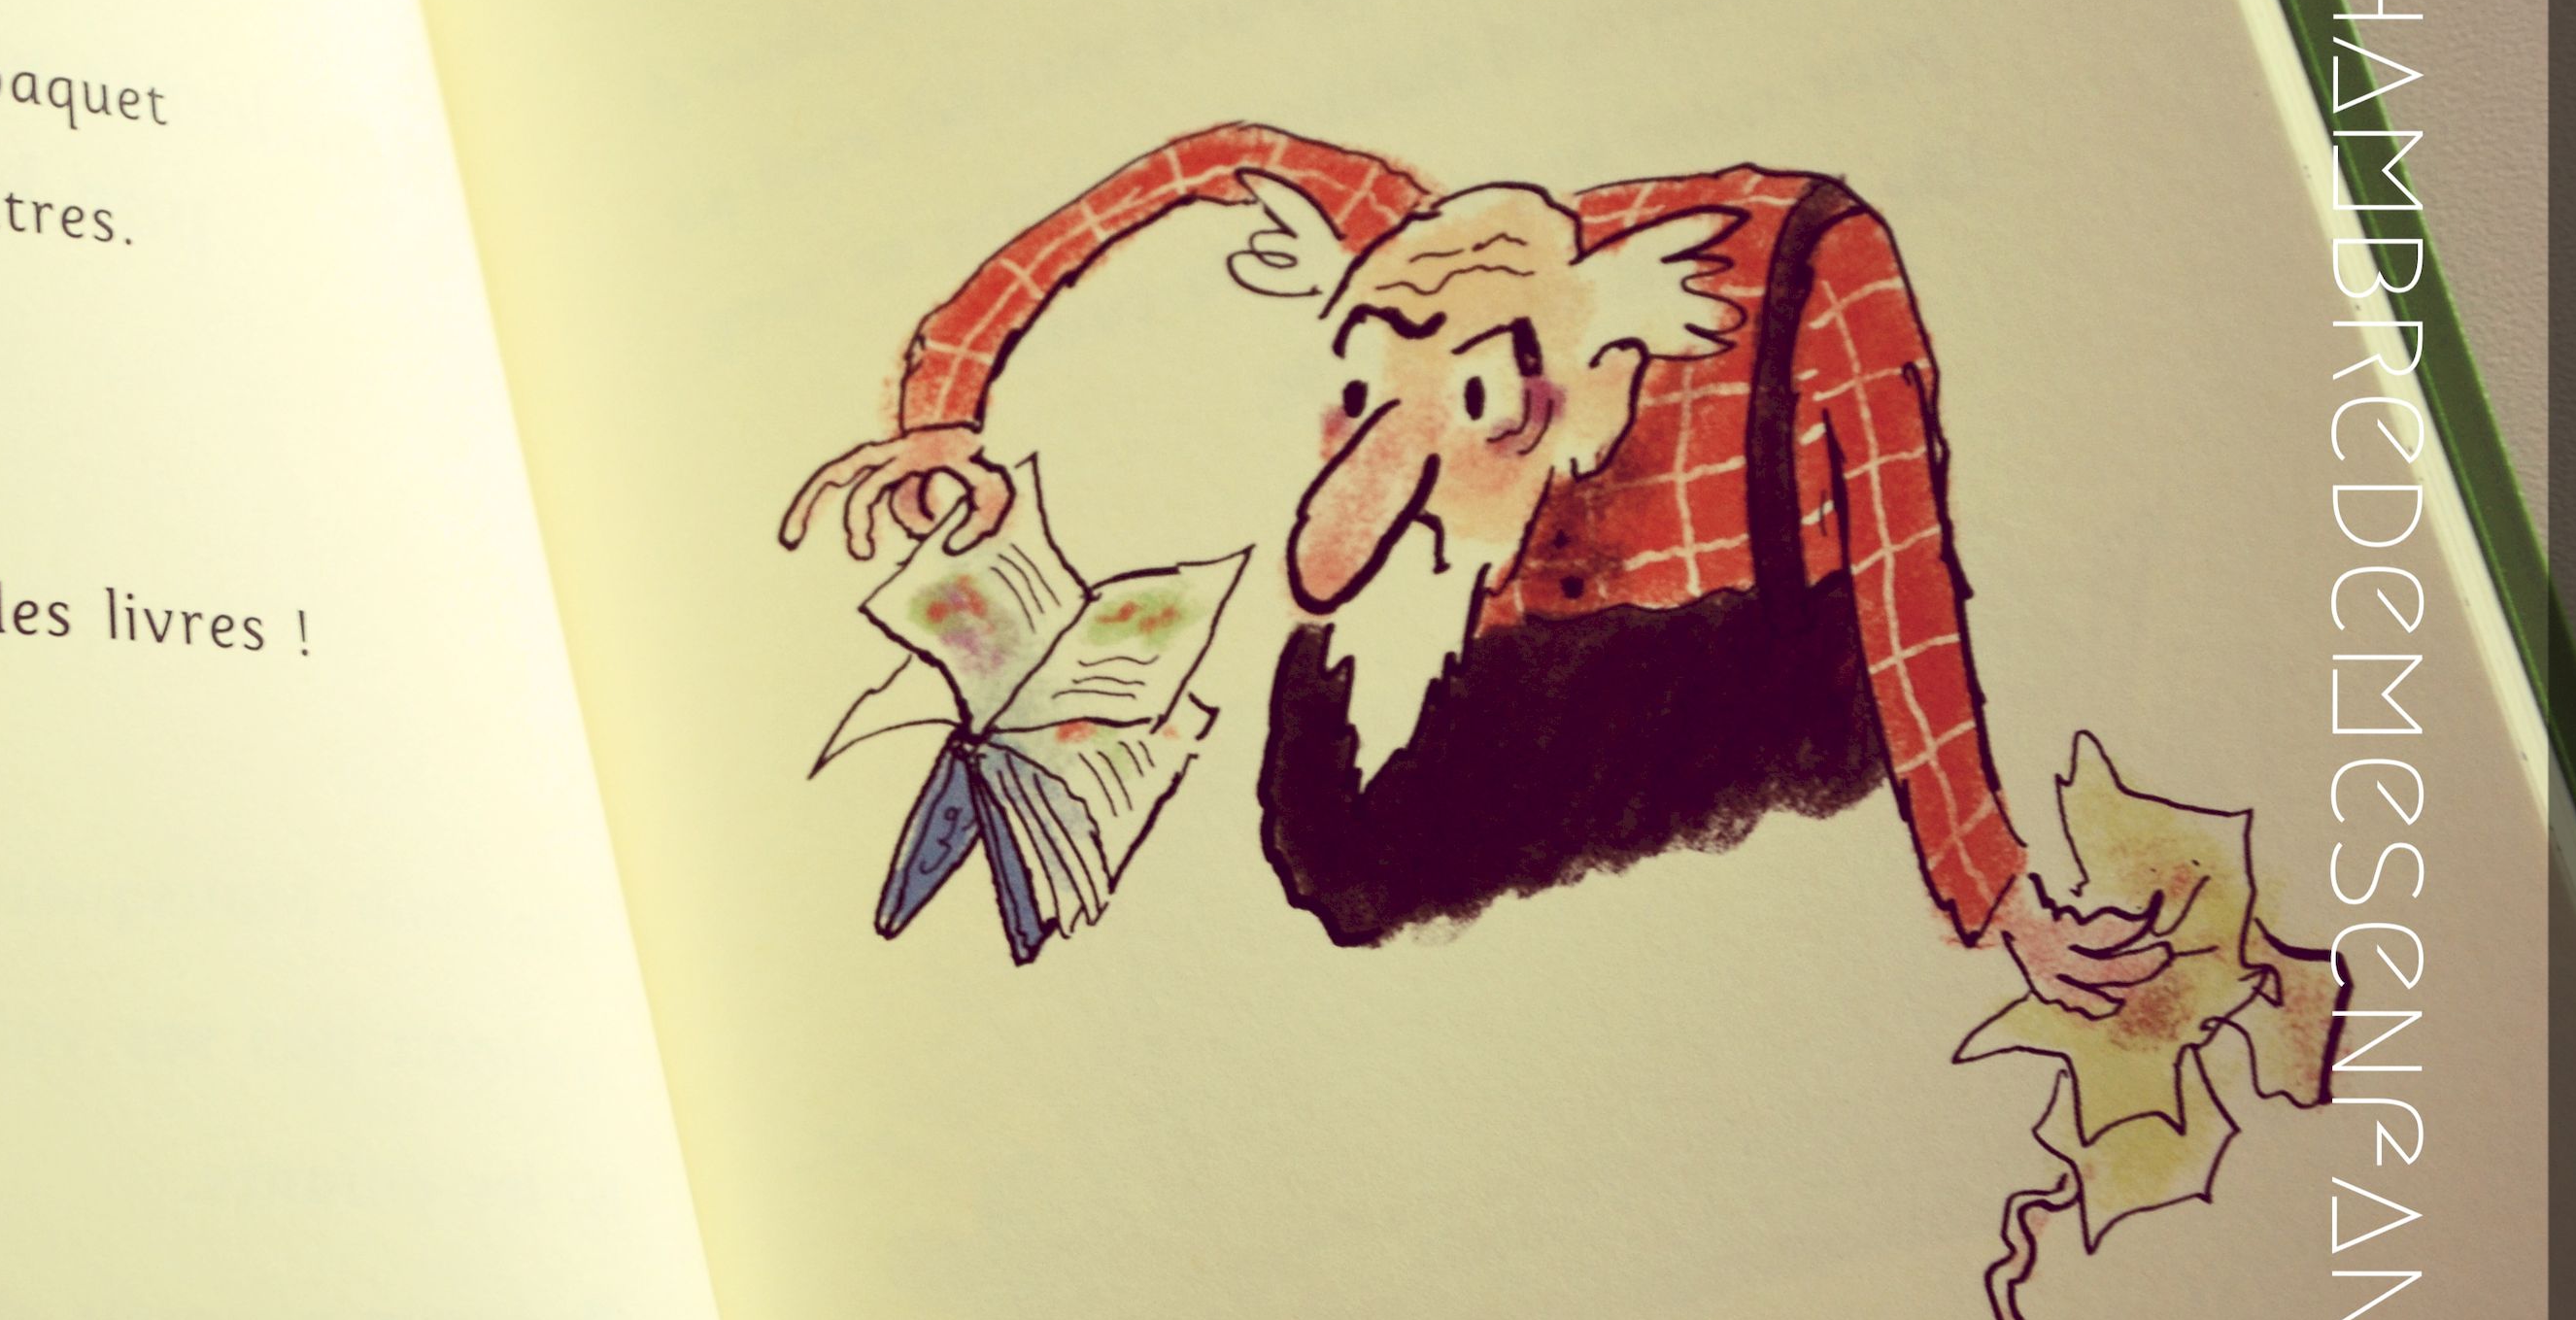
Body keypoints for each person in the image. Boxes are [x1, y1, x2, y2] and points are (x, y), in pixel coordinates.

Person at [782, 123, 2166, 1009]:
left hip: (1759, 670)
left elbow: (1908, 586)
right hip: (1522, 688)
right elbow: (1190, 169)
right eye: (1362, 400)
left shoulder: (1822, 286)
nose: (1396, 477)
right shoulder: (1405, 247)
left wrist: (1993, 890)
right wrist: (944, 405)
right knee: (1333, 851)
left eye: (1468, 423)